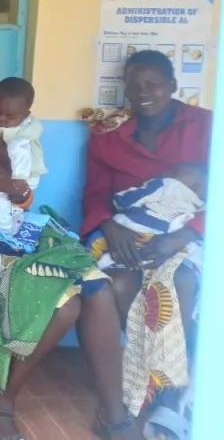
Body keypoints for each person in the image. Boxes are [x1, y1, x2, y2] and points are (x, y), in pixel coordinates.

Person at [0, 32, 140, 440]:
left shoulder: (5, 113)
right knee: (64, 306)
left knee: (95, 284)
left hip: (11, 225)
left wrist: (17, 190)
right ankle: (1, 399)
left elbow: (24, 191)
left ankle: (113, 411)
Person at [82, 50, 210, 440]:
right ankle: (113, 411)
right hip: (126, 233)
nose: (142, 93)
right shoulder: (109, 140)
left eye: (152, 84)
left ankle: (170, 396)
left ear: (173, 86)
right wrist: (109, 225)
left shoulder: (206, 126)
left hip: (186, 232)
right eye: (134, 85)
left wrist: (185, 235)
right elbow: (95, 196)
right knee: (102, 287)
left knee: (179, 284)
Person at [0, 77, 45, 237]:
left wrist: (16, 181)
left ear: (25, 115)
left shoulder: (22, 135)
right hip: (6, 175)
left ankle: (2, 229)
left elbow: (21, 157)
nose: (1, 119)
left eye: (9, 116)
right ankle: (11, 224)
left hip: (23, 175)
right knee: (0, 199)